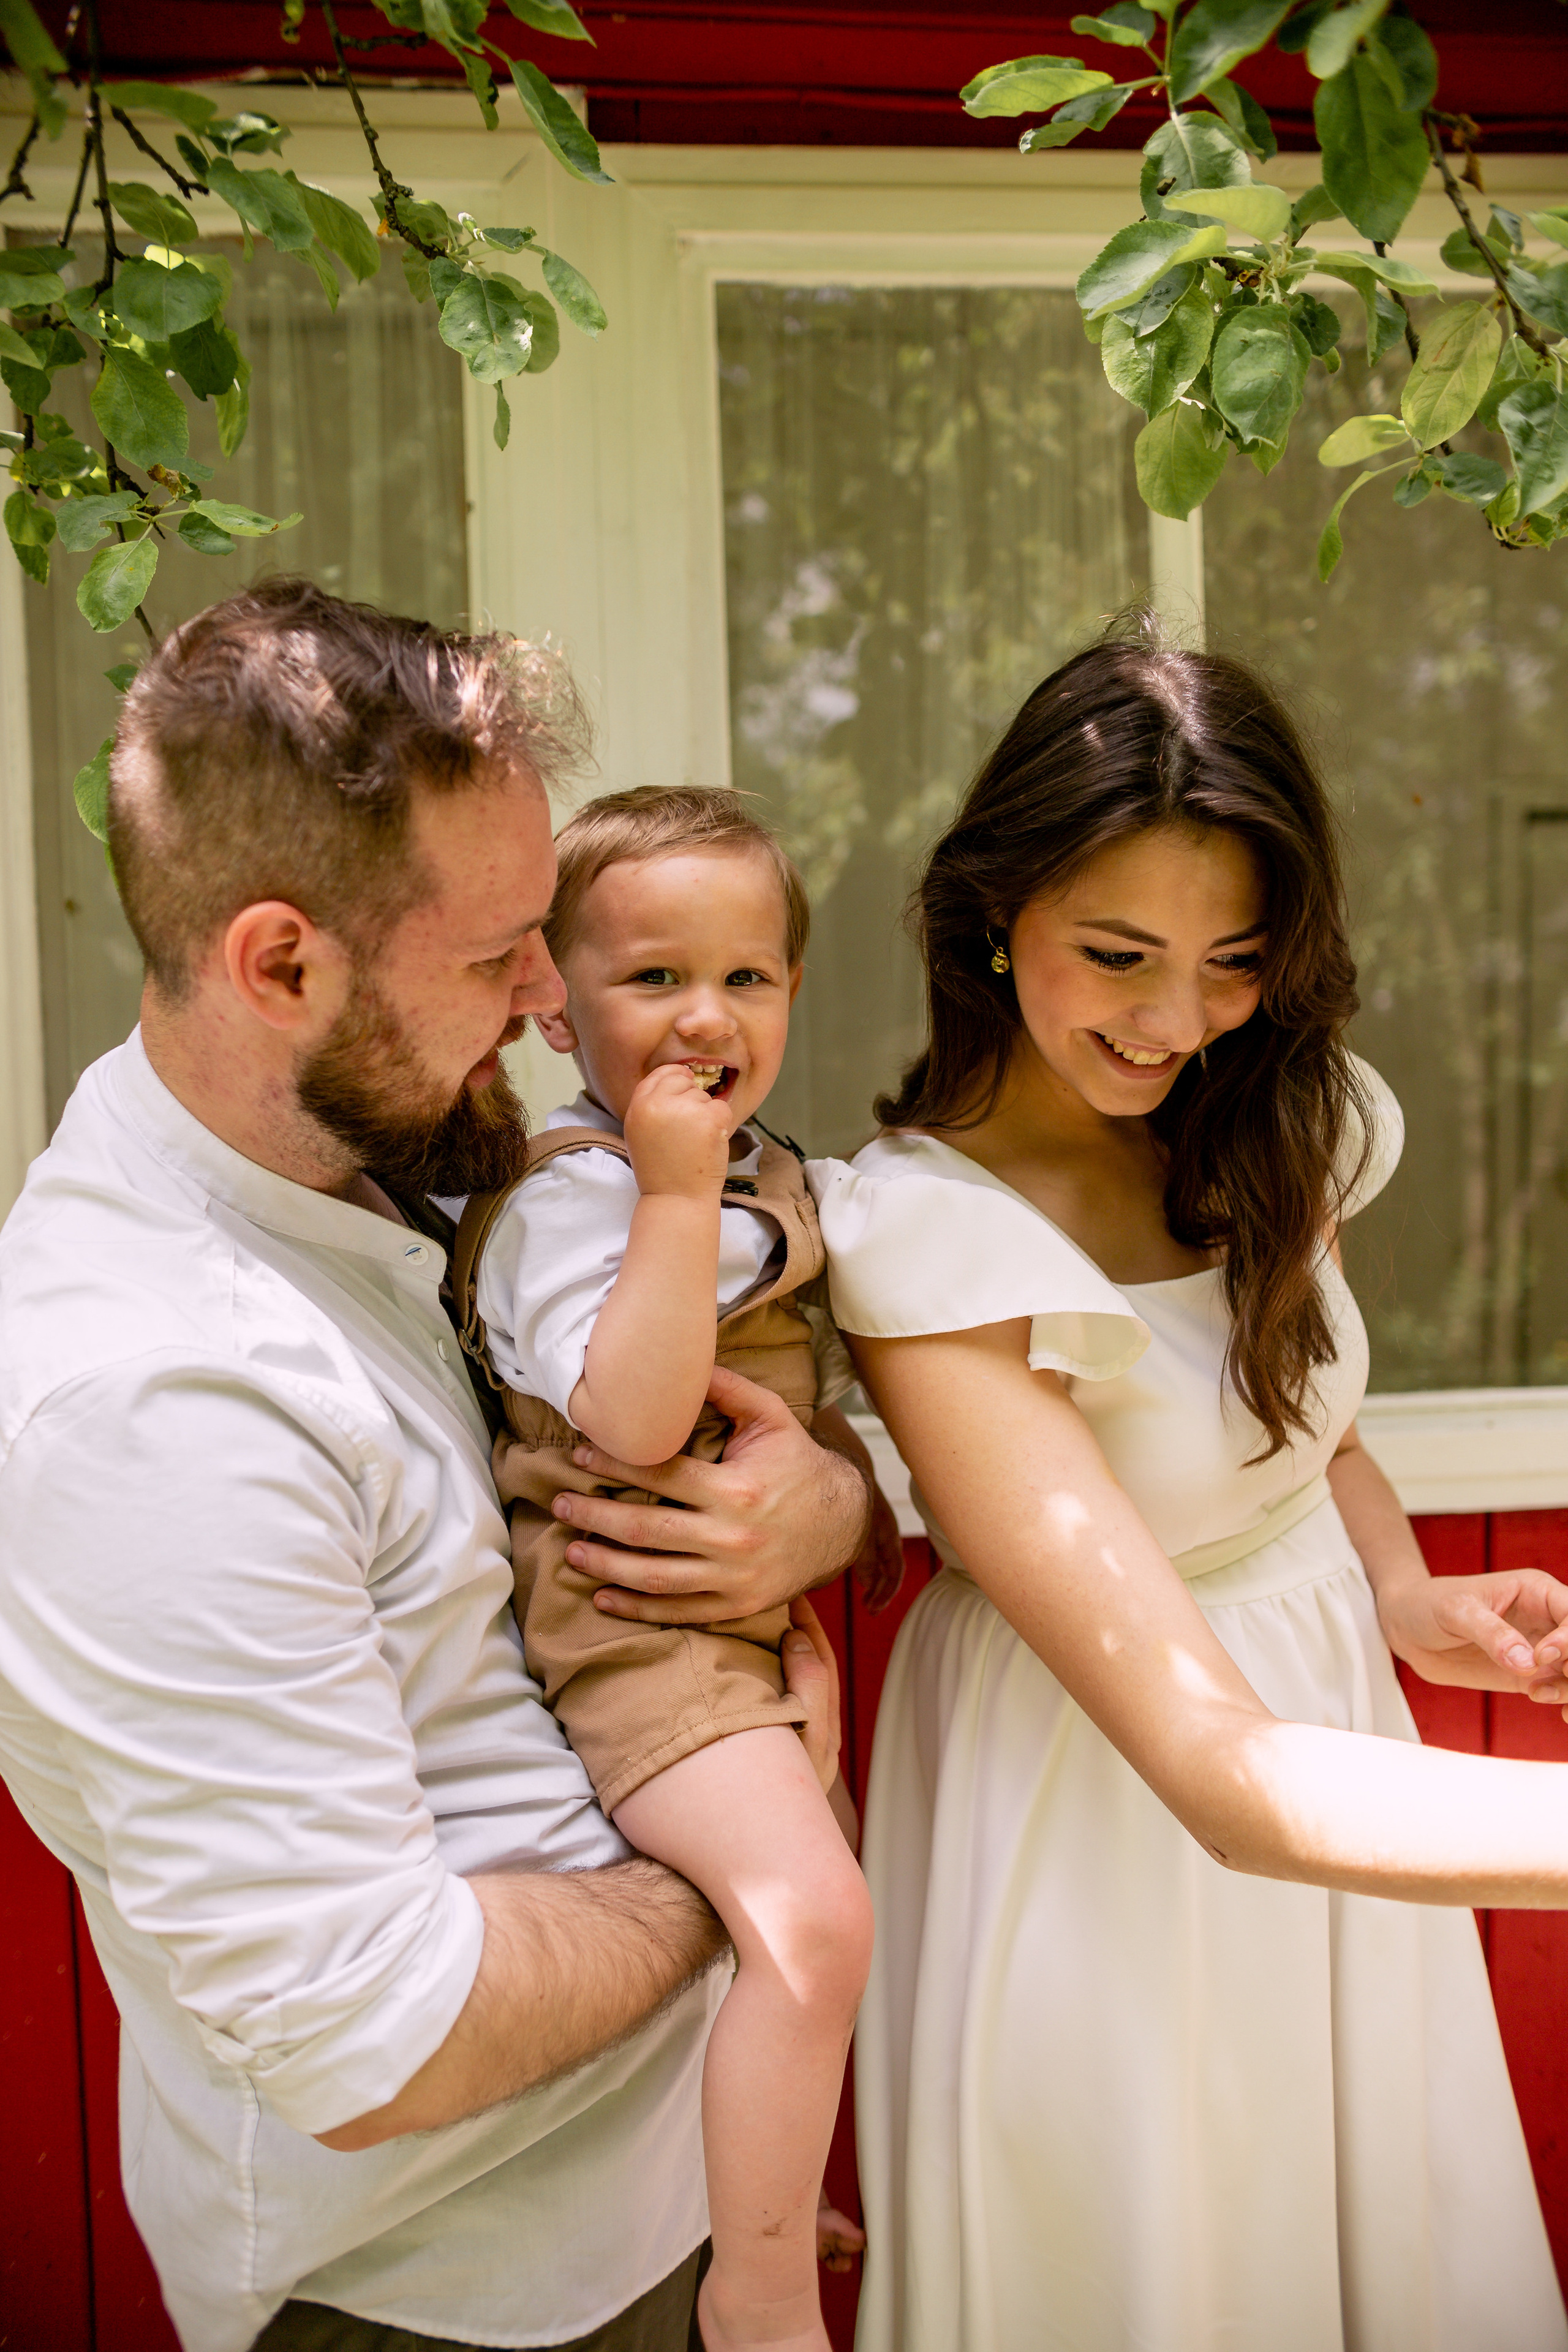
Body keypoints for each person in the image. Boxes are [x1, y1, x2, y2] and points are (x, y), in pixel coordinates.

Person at [0, 581, 876, 2352]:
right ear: (280, 963)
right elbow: (363, 2032)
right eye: (498, 956)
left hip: (651, 2208)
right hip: (452, 2292)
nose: (556, 996)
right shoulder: (147, 1400)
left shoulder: (380, 1154)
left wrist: (821, 1501)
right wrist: (735, 1887)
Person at [797, 627, 1568, 2350]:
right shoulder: (930, 1238)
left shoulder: (1274, 1111)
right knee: (1164, 2257)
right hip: (1105, 1783)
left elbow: (1300, 1427)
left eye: (1234, 962)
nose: (1172, 1023)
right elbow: (1223, 1788)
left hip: (1331, 1722)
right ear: (996, 913)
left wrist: (1396, 1589)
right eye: (1118, 955)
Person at [455, 786, 888, 2352]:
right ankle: (760, 2291)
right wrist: (669, 1192)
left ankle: (749, 2202)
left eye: (749, 977)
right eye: (650, 978)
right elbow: (633, 1420)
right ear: (554, 1006)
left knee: (794, 1939)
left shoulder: (754, 1167)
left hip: (742, 1633)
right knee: (811, 1924)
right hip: (636, 1638)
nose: (705, 1012)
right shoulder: (575, 1200)